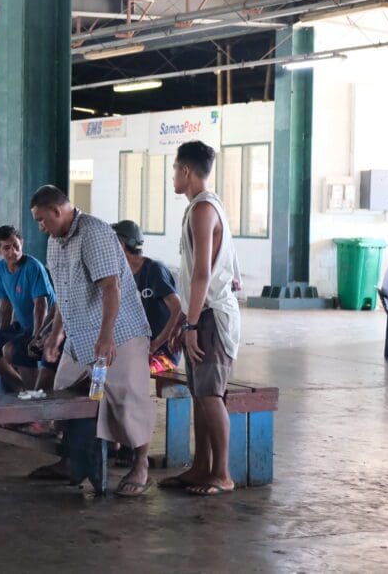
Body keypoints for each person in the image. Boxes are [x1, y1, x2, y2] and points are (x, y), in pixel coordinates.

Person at [28, 185, 155, 497]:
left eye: (42, 220)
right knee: (64, 395)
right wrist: (55, 336)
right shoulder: (56, 242)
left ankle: (141, 464)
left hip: (119, 333)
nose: (41, 227)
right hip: (80, 335)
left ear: (58, 211)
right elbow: (64, 294)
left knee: (128, 401)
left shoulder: (93, 233)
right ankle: (71, 461)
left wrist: (106, 337)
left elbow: (111, 287)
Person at [161, 140, 242, 497]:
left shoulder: (202, 210)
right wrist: (185, 322)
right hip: (202, 314)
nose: (173, 177)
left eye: (175, 170)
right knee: (200, 393)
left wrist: (191, 325)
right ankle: (200, 468)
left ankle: (222, 473)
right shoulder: (204, 206)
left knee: (211, 395)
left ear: (187, 171)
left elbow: (202, 276)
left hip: (211, 317)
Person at [0, 225, 54, 392]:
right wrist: (2, 332)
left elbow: (41, 305)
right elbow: (5, 304)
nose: (13, 251)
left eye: (16, 245)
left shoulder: (33, 266)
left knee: (12, 350)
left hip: (44, 326)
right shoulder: (0, 268)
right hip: (22, 325)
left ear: (21, 242)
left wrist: (37, 337)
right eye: (6, 248)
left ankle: (33, 395)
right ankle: (22, 386)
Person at [112, 220, 183, 370]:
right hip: (139, 349)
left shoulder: (154, 270)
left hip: (162, 352)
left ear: (121, 245)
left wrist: (155, 345)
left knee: (133, 370)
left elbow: (177, 309)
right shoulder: (122, 274)